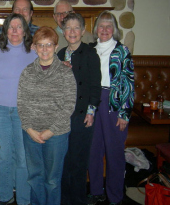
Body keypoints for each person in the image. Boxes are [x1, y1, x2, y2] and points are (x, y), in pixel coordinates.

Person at [0, 13, 37, 205]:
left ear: (25, 30)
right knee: (3, 156)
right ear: (5, 30)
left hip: (24, 111)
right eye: (11, 27)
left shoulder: (34, 50)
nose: (14, 30)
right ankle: (5, 197)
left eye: (19, 26)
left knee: (23, 158)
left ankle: (23, 200)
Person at [17, 26, 76, 205]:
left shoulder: (65, 72)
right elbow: (22, 103)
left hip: (57, 135)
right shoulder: (27, 72)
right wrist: (29, 129)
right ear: (34, 47)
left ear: (56, 46)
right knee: (35, 177)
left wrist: (51, 131)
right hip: (31, 134)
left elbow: (69, 106)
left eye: (48, 45)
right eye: (40, 45)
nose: (44, 49)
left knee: (51, 180)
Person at [87, 11, 134, 205]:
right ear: (96, 29)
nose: (104, 29)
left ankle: (115, 196)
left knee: (114, 153)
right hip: (93, 103)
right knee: (93, 150)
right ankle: (96, 190)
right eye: (101, 25)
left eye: (109, 26)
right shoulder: (89, 50)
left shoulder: (122, 51)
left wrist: (124, 113)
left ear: (114, 29)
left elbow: (128, 83)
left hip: (114, 104)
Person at [57, 13, 102, 205]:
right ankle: (64, 199)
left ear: (83, 31)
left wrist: (91, 112)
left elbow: (95, 86)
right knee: (64, 161)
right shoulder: (59, 55)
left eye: (76, 28)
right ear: (63, 32)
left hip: (83, 115)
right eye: (68, 28)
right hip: (62, 115)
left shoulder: (90, 53)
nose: (72, 32)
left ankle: (77, 200)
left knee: (78, 161)